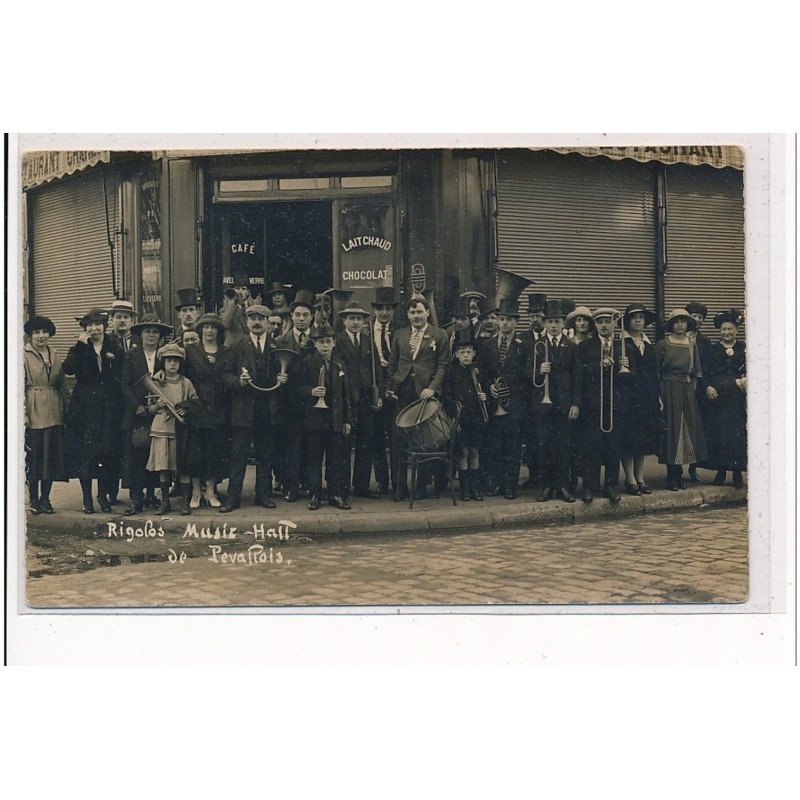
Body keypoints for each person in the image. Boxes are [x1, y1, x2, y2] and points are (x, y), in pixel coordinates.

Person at [220, 304, 288, 512]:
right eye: (252, 318)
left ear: (268, 323)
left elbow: (285, 376)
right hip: (243, 409)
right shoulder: (237, 346)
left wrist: (284, 378)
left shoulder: (277, 347)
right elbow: (225, 376)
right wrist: (238, 381)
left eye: (261, 318)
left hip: (267, 409)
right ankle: (233, 497)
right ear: (247, 322)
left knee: (265, 453)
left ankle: (263, 494)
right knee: (238, 453)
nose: (257, 322)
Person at [386, 296, 451, 500]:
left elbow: (443, 365)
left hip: (424, 394)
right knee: (398, 439)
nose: (416, 316)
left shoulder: (439, 335)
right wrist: (390, 386)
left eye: (419, 312)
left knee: (423, 440)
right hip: (402, 391)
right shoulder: (399, 334)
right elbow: (392, 364)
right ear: (407, 315)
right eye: (412, 313)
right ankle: (399, 487)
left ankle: (421, 486)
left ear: (427, 313)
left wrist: (432, 388)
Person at [63, 308, 124, 514]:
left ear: (105, 326)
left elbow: (121, 373)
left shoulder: (113, 346)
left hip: (108, 406)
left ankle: (103, 496)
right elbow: (68, 369)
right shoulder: (79, 348)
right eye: (89, 325)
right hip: (85, 407)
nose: (93, 328)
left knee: (106, 453)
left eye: (97, 324)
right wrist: (80, 345)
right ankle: (87, 499)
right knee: (86, 454)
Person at [574, 308, 634, 504]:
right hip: (594, 404)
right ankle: (589, 487)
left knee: (613, 446)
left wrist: (625, 366)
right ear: (596, 325)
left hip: (616, 404)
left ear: (614, 324)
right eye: (599, 322)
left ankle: (611, 486)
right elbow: (579, 374)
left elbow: (634, 380)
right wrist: (598, 365)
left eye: (607, 321)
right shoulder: (586, 346)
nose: (604, 325)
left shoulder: (624, 347)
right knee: (592, 446)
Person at [292, 322, 352, 511]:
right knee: (314, 460)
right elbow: (296, 389)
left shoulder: (339, 363)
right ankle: (315, 495)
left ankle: (335, 495)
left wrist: (347, 420)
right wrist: (311, 391)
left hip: (335, 420)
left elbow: (345, 394)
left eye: (328, 341)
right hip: (314, 421)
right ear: (315, 344)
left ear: (334, 343)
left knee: (336, 459)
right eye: (321, 342)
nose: (325, 346)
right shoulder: (307, 363)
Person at [528, 300, 580, 503]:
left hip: (564, 404)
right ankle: (546, 486)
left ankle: (563, 486)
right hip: (542, 404)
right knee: (544, 446)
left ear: (563, 324)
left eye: (557, 321)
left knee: (563, 446)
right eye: (549, 321)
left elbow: (578, 377)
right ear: (545, 323)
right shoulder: (536, 346)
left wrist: (576, 403)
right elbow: (525, 373)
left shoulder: (571, 346)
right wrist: (538, 371)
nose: (553, 325)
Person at [120, 314, 173, 515]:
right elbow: (124, 384)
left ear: (160, 336)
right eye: (147, 331)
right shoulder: (131, 356)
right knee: (136, 455)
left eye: (155, 332)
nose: (151, 335)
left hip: (159, 412)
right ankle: (136, 498)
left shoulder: (165, 355)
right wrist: (137, 406)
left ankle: (151, 494)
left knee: (155, 453)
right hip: (137, 413)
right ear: (140, 334)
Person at [478, 298, 529, 500]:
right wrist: (490, 385)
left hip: (515, 405)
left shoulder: (522, 345)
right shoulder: (487, 344)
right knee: (495, 446)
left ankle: (510, 486)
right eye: (502, 319)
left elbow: (527, 376)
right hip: (493, 404)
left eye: (509, 319)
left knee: (513, 447)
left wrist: (509, 389)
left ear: (516, 322)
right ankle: (496, 484)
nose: (505, 323)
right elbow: (482, 371)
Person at [655, 309, 708, 491]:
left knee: (686, 430)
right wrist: (660, 396)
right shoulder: (663, 344)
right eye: (676, 321)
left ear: (688, 324)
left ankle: (681, 475)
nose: (680, 324)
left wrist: (690, 392)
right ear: (671, 324)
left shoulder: (692, 345)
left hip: (687, 391)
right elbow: (656, 372)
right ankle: (672, 476)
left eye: (683, 321)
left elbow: (696, 372)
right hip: (668, 389)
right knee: (672, 430)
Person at [335, 300, 383, 499]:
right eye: (352, 318)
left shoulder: (367, 340)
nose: (355, 322)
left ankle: (361, 487)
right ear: (345, 320)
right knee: (345, 445)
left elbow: (377, 368)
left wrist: (378, 394)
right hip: (347, 400)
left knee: (366, 444)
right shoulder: (337, 341)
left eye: (359, 319)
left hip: (365, 400)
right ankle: (342, 488)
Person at [273, 289, 317, 501]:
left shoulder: (319, 341)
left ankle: (308, 484)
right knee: (291, 446)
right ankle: (290, 487)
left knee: (310, 445)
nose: (301, 319)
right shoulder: (280, 340)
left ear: (312, 317)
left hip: (312, 402)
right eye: (298, 315)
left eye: (305, 315)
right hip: (288, 404)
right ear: (291, 316)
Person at [145, 343, 199, 515]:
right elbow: (150, 409)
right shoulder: (156, 382)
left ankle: (185, 502)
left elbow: (195, 402)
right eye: (168, 360)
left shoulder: (186, 383)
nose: (172, 364)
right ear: (163, 362)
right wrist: (158, 405)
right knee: (164, 466)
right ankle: (165, 502)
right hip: (161, 427)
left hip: (180, 430)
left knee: (182, 465)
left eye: (176, 360)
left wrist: (186, 408)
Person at [184, 312, 230, 508]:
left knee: (214, 451)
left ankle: (210, 491)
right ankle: (195, 492)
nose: (209, 330)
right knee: (195, 451)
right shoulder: (190, 350)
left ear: (219, 331)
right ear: (200, 330)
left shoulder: (226, 351)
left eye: (213, 327)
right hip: (197, 406)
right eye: (206, 327)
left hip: (219, 407)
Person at [24, 316, 68, 514]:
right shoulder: (23, 355)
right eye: (36, 332)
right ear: (31, 335)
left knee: (50, 458)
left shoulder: (55, 353)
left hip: (53, 410)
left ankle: (46, 499)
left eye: (44, 332)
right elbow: (17, 387)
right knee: (35, 458)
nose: (41, 336)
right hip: (33, 411)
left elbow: (61, 384)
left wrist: (66, 409)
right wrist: (22, 414)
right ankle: (33, 499)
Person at [442, 329, 490, 501]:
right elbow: (447, 397)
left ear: (474, 353)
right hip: (460, 419)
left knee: (475, 451)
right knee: (463, 452)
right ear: (456, 354)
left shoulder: (478, 371)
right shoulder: (451, 372)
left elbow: (486, 392)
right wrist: (454, 416)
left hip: (476, 418)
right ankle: (465, 489)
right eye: (462, 352)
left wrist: (485, 397)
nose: (466, 355)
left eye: (469, 352)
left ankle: (475, 488)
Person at [701, 309, 747, 488]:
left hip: (736, 398)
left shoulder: (743, 348)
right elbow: (704, 372)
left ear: (736, 330)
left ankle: (737, 473)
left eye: (730, 329)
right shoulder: (712, 349)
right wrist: (708, 387)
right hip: (718, 397)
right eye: (723, 330)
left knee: (736, 435)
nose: (727, 333)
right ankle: (720, 472)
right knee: (719, 434)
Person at [620, 304, 661, 496]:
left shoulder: (649, 344)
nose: (638, 321)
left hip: (647, 397)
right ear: (628, 321)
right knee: (629, 438)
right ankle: (630, 479)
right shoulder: (620, 342)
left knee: (643, 438)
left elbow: (654, 373)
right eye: (634, 317)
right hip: (629, 397)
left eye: (641, 317)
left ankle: (640, 477)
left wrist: (658, 396)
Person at [370, 287, 399, 495]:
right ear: (375, 310)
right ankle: (383, 482)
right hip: (376, 388)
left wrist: (393, 387)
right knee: (377, 438)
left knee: (397, 437)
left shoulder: (401, 330)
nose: (384, 312)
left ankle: (398, 483)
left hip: (396, 388)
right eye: (380, 308)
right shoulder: (367, 329)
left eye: (388, 308)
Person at [519, 292, 547, 488]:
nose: (535, 319)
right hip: (529, 396)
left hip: (548, 396)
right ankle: (534, 476)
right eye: (531, 316)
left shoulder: (552, 336)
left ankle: (547, 476)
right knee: (531, 438)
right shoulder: (523, 338)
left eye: (538, 315)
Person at [685, 301, 712, 483]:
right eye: (694, 316)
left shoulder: (705, 341)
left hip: (699, 389)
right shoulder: (675, 337)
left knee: (696, 428)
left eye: (700, 317)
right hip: (680, 385)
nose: (697, 319)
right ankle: (676, 469)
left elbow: (707, 367)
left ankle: (693, 468)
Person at [219, 270, 251, 348]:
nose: (240, 291)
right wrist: (235, 304)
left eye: (243, 289)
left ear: (248, 292)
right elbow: (225, 324)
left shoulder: (252, 308)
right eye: (237, 288)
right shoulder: (225, 310)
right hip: (233, 350)